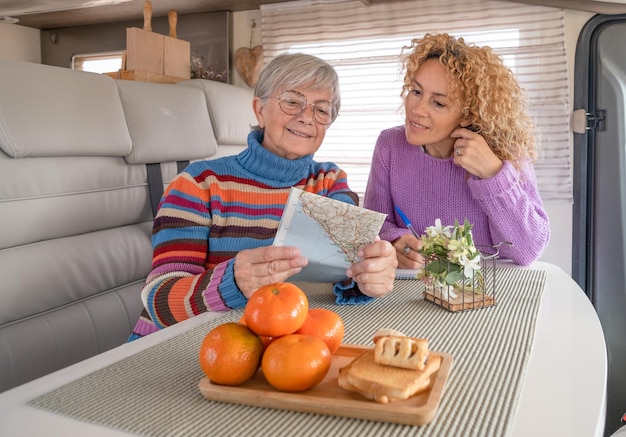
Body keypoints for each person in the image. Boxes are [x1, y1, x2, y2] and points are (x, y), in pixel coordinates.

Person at [129, 53, 397, 340]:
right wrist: (232, 282)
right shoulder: (198, 183)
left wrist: (369, 274)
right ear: (259, 110)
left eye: (322, 109)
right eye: (292, 101)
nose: (307, 117)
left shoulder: (329, 182)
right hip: (181, 345)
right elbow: (159, 302)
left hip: (278, 343)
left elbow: (343, 272)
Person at [363, 33, 550, 269]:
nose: (417, 110)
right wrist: (395, 240)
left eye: (438, 103)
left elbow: (528, 250)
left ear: (469, 113)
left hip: (490, 290)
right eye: (416, 91)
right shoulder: (390, 144)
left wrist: (493, 174)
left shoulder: (506, 151)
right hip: (411, 288)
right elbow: (373, 225)